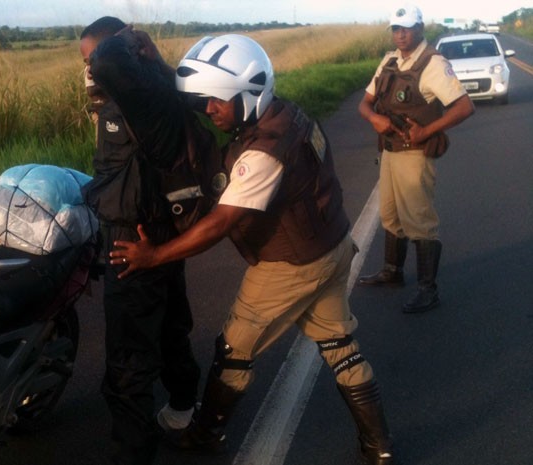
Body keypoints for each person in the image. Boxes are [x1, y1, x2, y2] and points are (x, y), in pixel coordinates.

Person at [111, 34, 395, 465]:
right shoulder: (285, 112)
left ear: (247, 96)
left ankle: (205, 435)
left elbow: (220, 223)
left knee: (233, 350)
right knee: (340, 346)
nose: (209, 110)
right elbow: (222, 96)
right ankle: (380, 448)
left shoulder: (262, 155)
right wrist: (164, 66)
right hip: (332, 247)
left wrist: (154, 256)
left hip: (292, 264)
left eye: (217, 102)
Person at [79, 17, 222, 465]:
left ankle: (134, 452)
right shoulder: (156, 88)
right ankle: (182, 409)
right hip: (156, 228)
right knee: (170, 325)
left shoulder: (139, 96)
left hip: (132, 239)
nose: (88, 70)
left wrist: (123, 44)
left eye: (90, 59)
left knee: (127, 362)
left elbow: (109, 65)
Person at [357, 4, 475, 313]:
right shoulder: (389, 61)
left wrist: (427, 131)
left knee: (420, 221)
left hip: (414, 154)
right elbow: (365, 104)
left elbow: (464, 107)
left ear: (420, 29)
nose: (400, 34)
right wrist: (375, 120)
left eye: (406, 28)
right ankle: (392, 271)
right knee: (390, 214)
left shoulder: (433, 64)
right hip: (390, 150)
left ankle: (428, 290)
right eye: (395, 29)